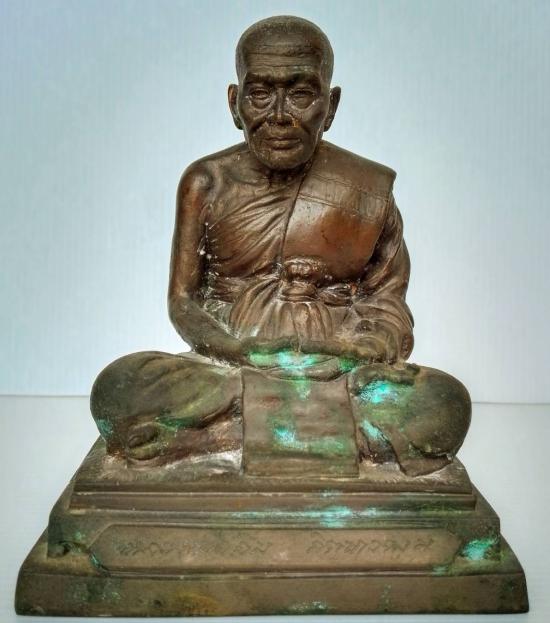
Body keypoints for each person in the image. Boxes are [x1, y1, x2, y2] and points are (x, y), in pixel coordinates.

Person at [90, 16, 470, 477]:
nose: (279, 116)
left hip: (336, 369)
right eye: (260, 94)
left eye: (301, 95)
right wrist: (241, 352)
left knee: (444, 402)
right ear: (235, 103)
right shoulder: (206, 183)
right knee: (121, 389)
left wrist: (358, 349)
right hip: (231, 367)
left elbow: (387, 301)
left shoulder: (366, 189)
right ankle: (331, 437)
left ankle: (224, 438)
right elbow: (183, 302)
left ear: (331, 106)